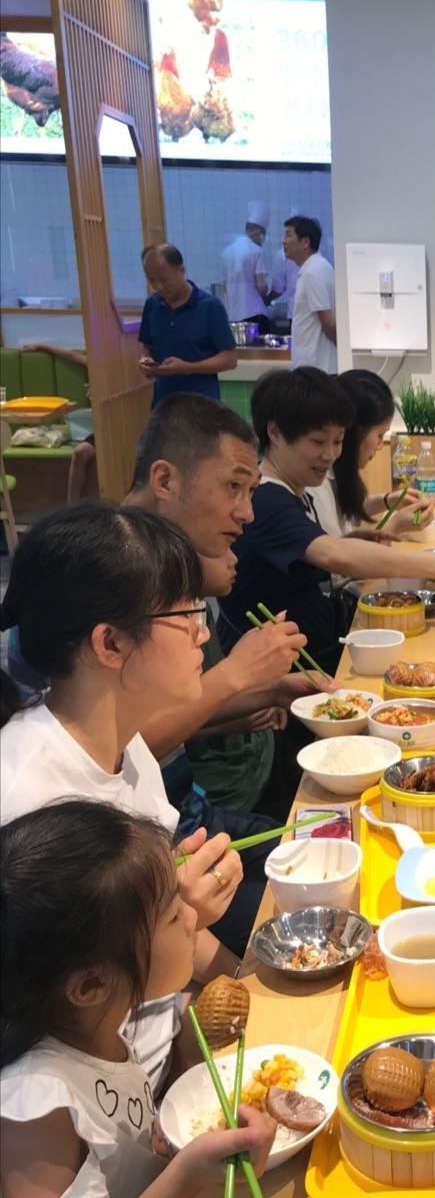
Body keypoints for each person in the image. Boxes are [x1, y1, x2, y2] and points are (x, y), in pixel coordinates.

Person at [0, 505, 245, 1090]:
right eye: (186, 614)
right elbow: (43, 1037)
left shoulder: (125, 744)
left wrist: (249, 977)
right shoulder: (27, 805)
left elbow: (178, 934)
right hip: (117, 1111)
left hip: (170, 1048)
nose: (203, 632)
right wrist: (169, 920)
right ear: (110, 643)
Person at [0, 801, 277, 1198]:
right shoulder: (36, 1107)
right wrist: (185, 1176)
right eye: (173, 915)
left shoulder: (99, 1030)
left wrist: (157, 1146)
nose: (193, 918)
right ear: (91, 985)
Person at [219, 368, 435, 673]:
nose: (330, 455)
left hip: (321, 649)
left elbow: (323, 552)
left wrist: (355, 541)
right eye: (317, 442)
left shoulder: (296, 490)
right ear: (275, 433)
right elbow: (333, 555)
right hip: (294, 674)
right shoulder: (266, 499)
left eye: (337, 441)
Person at [124, 394, 316, 820]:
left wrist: (270, 691)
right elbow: (111, 750)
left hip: (179, 805)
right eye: (233, 487)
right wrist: (238, 672)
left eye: (251, 492)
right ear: (164, 480)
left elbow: (169, 717)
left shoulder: (160, 560)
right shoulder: (106, 573)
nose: (247, 513)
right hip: (139, 834)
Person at [308, 369, 432, 541]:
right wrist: (396, 525)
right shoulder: (316, 483)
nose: (380, 446)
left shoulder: (336, 473)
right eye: (380, 435)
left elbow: (347, 509)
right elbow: (343, 556)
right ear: (354, 432)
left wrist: (388, 500)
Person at [139, 244, 237, 408]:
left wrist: (187, 368)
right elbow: (146, 343)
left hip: (201, 406)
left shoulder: (209, 307)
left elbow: (230, 359)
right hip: (163, 405)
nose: (158, 287)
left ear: (181, 271)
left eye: (164, 280)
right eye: (151, 280)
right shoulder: (152, 305)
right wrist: (145, 359)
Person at [20, 342, 95, 502]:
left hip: (123, 428)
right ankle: (72, 508)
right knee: (80, 452)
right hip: (101, 430)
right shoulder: (98, 364)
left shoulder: (128, 369)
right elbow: (73, 356)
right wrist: (43, 346)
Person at [283, 216, 336, 372]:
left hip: (316, 369)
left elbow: (328, 323)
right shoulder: (316, 267)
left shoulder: (312, 272)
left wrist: (342, 350)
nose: (284, 241)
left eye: (289, 235)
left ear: (305, 242)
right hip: (316, 367)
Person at [221, 200, 270, 330]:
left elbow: (225, 286)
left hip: (233, 317)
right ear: (258, 231)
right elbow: (261, 286)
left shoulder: (227, 252)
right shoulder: (257, 251)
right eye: (263, 234)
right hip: (255, 315)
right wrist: (267, 294)